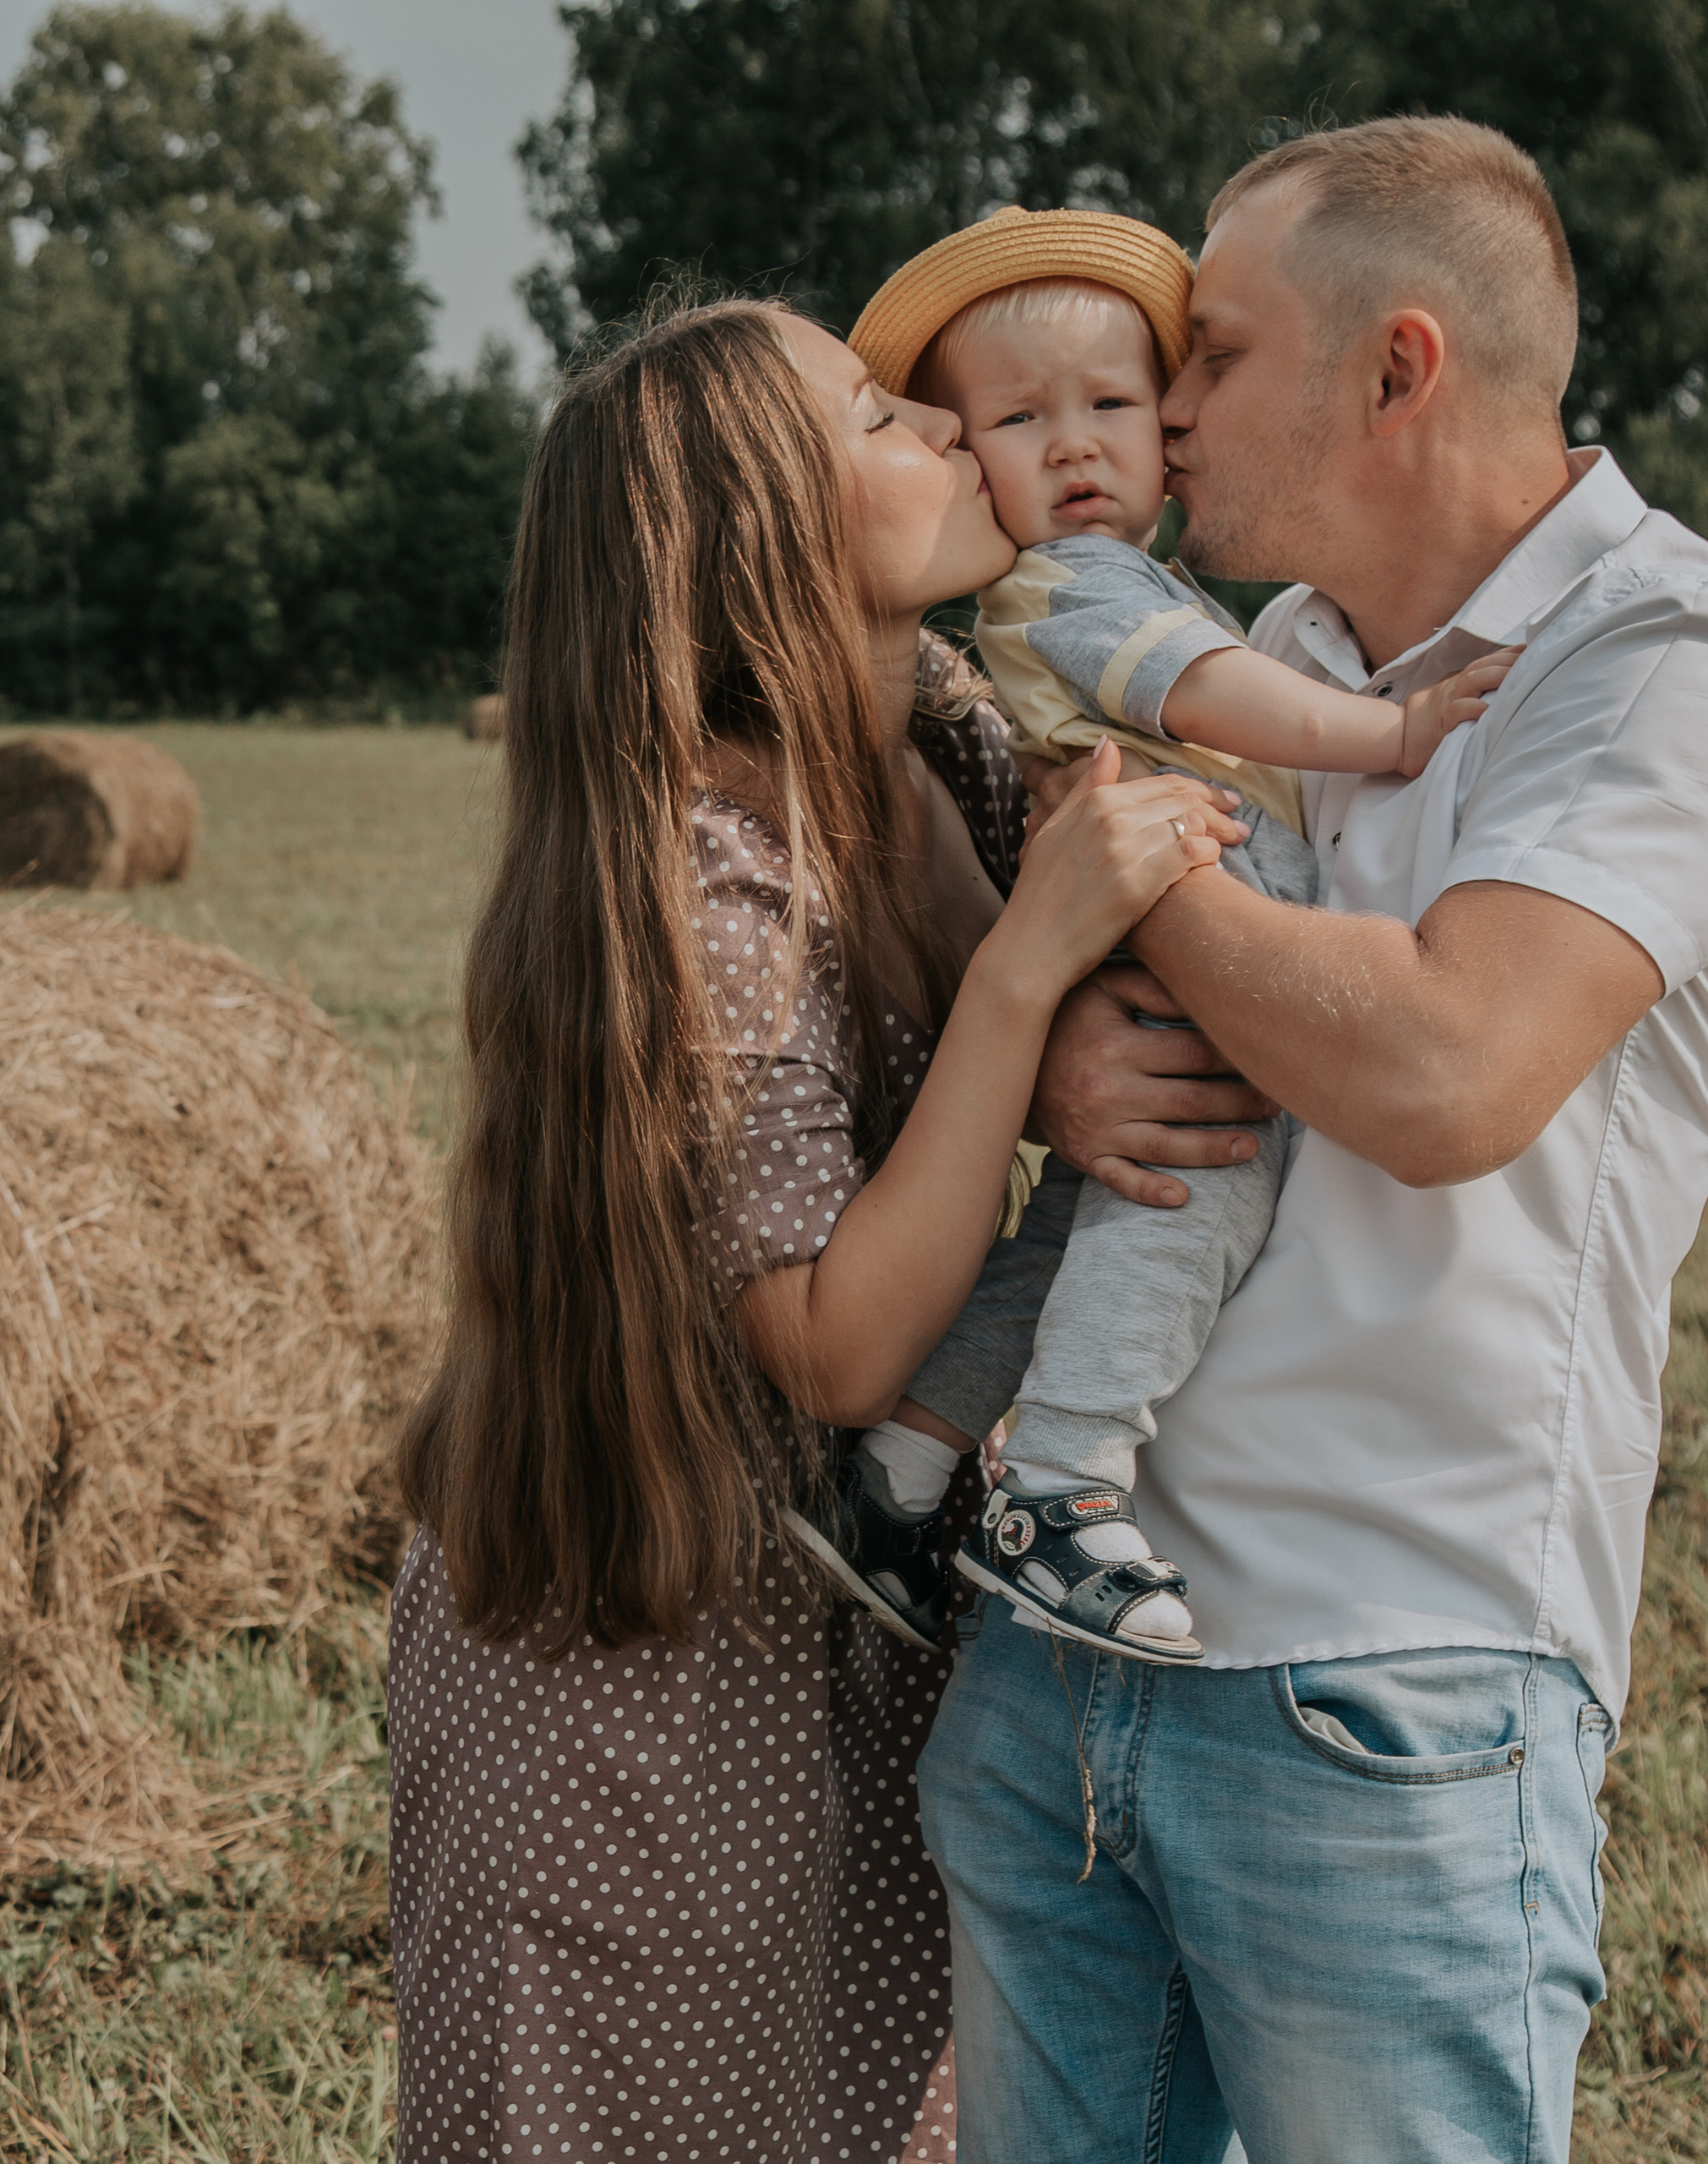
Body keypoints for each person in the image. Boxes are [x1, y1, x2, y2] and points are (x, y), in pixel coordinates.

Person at [920, 116, 1708, 2163]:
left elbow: (1444, 1070)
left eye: (1214, 352)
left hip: (1384, 1689)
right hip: (1061, 1657)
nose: (1161, 403)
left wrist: (1114, 857)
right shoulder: (1262, 658)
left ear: (1394, 368)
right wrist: (1063, 1045)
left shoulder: (1649, 655)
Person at [386, 294, 1242, 2161]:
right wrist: (1018, 981)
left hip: (847, 1608)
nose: (941, 425)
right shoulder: (711, 873)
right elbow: (834, 1342)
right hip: (647, 1649)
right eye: (872, 416)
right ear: (750, 541)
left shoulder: (943, 744)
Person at [794, 209, 1514, 1664]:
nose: (1074, 446)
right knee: (1199, 1200)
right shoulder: (1076, 583)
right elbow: (1205, 696)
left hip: (1142, 950)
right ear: (967, 450)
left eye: (1113, 405)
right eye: (1019, 419)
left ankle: (901, 1474)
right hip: (1186, 963)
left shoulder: (1112, 583)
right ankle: (1059, 1485)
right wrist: (1388, 733)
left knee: (1074, 1233)